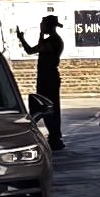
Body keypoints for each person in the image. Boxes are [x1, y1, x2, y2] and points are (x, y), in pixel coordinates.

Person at [32, 10, 65, 152]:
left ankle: (55, 136)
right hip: (45, 77)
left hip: (49, 78)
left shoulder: (54, 41)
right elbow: (30, 50)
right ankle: (54, 136)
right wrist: (21, 39)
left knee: (50, 108)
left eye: (43, 25)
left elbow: (39, 48)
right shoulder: (49, 40)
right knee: (46, 107)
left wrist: (40, 34)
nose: (42, 27)